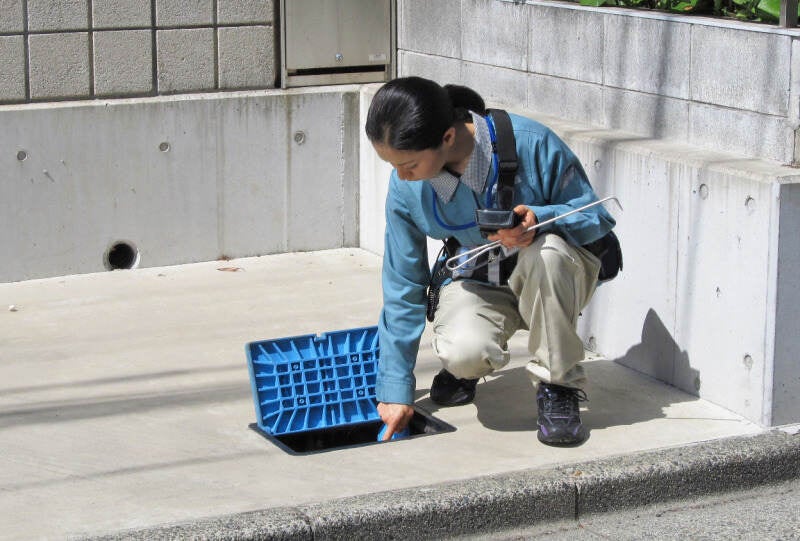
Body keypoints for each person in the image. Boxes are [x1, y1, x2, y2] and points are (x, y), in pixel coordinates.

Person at [365, 76, 615, 446]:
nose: (401, 176)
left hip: (553, 274)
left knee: (546, 253)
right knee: (463, 352)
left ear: (447, 138)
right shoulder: (406, 188)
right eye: (393, 165)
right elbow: (404, 282)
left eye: (410, 164)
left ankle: (558, 385)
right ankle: (467, 369)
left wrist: (540, 218)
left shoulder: (533, 143)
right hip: (480, 277)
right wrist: (395, 386)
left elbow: (598, 217)